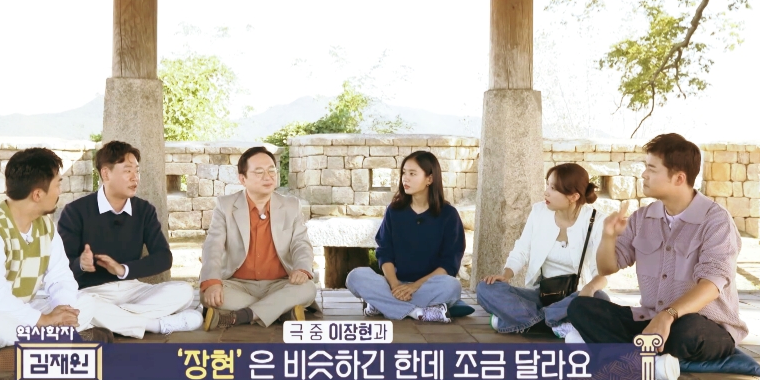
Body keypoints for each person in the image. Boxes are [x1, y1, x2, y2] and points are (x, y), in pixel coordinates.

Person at [567, 133, 748, 380]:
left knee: (687, 331)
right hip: (650, 321)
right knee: (580, 307)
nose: (644, 175)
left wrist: (668, 315)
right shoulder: (642, 218)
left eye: (651, 169)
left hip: (705, 326)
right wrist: (608, 236)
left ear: (679, 178)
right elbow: (608, 267)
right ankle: (651, 364)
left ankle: (612, 353)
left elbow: (711, 284)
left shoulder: (716, 221)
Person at [0, 148, 113, 370]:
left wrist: (64, 311)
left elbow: (60, 276)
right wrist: (44, 320)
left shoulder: (45, 226)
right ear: (37, 194)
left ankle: (38, 345)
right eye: (58, 184)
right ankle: (54, 342)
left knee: (84, 302)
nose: (60, 191)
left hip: (17, 314)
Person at [57, 140, 201, 337]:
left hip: (132, 290)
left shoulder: (144, 210)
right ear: (106, 174)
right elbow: (61, 268)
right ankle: (156, 325)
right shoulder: (76, 211)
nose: (135, 178)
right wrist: (81, 264)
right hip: (91, 292)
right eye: (127, 171)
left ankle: (111, 319)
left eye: (137, 171)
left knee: (184, 292)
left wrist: (123, 269)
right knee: (79, 306)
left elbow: (163, 258)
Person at [476, 163, 609, 339]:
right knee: (485, 288)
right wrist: (506, 274)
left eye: (553, 188)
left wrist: (589, 289)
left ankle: (517, 321)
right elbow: (522, 249)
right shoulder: (539, 211)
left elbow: (601, 273)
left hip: (573, 298)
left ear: (573, 196)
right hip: (539, 295)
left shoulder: (596, 221)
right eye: (547, 185)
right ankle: (556, 323)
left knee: (600, 297)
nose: (546, 192)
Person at [200, 146, 317, 330]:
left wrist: (302, 268)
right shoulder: (225, 206)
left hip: (280, 283)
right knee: (208, 294)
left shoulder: (291, 205)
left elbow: (301, 244)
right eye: (259, 172)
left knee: (308, 288)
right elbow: (213, 246)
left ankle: (243, 315)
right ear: (242, 179)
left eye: (272, 171)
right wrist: (212, 282)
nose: (268, 177)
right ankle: (280, 311)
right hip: (238, 284)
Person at [345, 151, 465, 323]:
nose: (405, 178)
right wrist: (395, 285)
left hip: (427, 286)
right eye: (404, 173)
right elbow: (385, 252)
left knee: (452, 286)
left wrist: (414, 286)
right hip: (394, 284)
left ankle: (382, 305)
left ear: (430, 179)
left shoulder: (448, 215)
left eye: (412, 174)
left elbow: (449, 264)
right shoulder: (394, 211)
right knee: (355, 276)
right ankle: (417, 312)